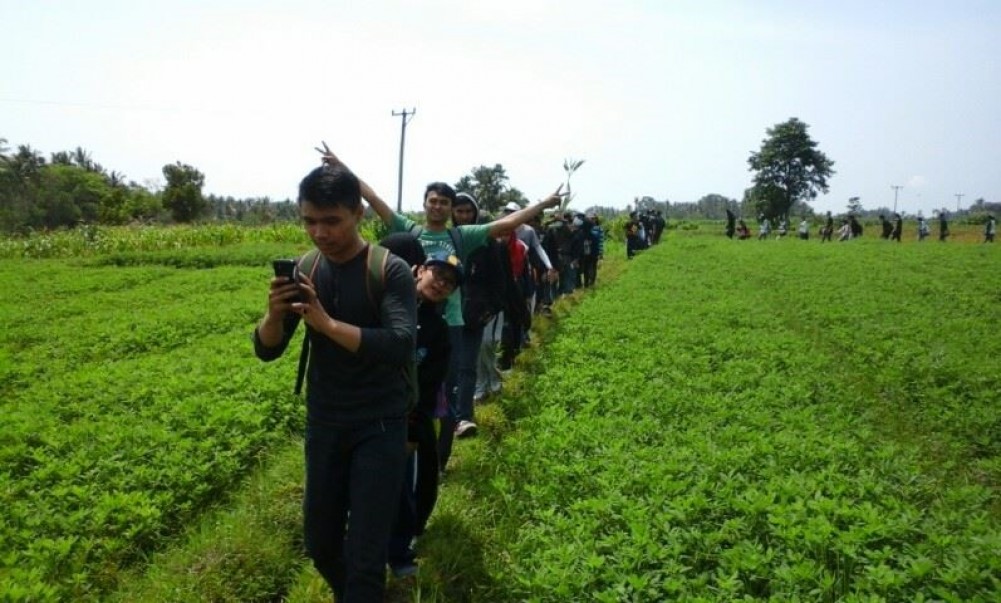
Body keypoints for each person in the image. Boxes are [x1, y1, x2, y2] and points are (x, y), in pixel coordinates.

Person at [317, 143, 563, 473]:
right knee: (403, 391)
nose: (437, 206)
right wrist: (342, 168)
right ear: (425, 204)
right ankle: (398, 453)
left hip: (450, 323)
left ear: (450, 208)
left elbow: (506, 224)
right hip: (408, 323)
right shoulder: (409, 229)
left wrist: (544, 204)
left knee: (445, 391)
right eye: (433, 200)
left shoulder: (463, 235)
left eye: (444, 202)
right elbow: (374, 200)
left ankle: (439, 459)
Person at [253, 164, 416, 602]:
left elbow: (399, 344)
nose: (319, 233)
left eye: (331, 221)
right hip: (325, 422)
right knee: (321, 544)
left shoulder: (390, 270)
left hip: (379, 423)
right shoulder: (306, 269)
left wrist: (326, 324)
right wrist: (274, 313)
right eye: (309, 221)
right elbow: (268, 349)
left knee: (365, 555)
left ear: (358, 213)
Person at [378, 234, 459, 579]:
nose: (441, 284)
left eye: (450, 283)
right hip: (369, 410)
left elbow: (429, 385)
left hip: (407, 417)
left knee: (414, 483)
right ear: (421, 270)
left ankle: (400, 551)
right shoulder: (385, 305)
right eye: (437, 275)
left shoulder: (438, 330)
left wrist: (412, 426)